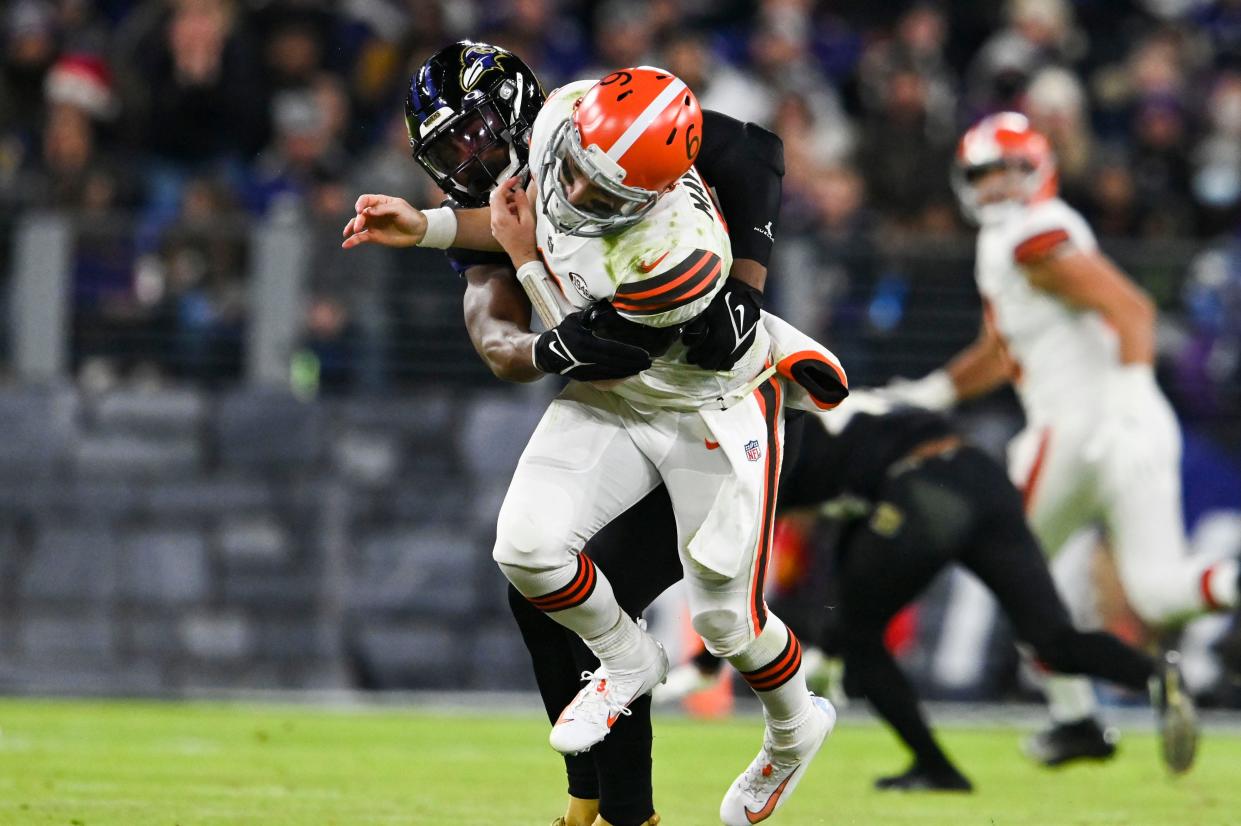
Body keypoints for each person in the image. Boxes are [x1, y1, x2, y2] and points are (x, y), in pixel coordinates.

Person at [343, 46, 848, 826]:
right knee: (526, 552)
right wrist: (430, 226)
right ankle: (625, 672)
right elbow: (527, 271)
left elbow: (594, 343)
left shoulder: (675, 253)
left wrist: (740, 280)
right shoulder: (570, 123)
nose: (571, 191)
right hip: (620, 400)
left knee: (726, 622)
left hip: (705, 404)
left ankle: (793, 729)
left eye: (473, 136)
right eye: (570, 168)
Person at [883, 111, 1240, 766]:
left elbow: (1132, 309)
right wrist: (931, 391)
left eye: (1008, 169)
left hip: (1084, 425)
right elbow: (1002, 348)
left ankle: (1076, 718)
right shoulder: (1020, 238)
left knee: (1007, 562)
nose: (995, 185)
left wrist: (1125, 389)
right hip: (1131, 425)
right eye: (984, 173)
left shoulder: (1031, 233)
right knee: (1160, 590)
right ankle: (1076, 720)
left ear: (1038, 169)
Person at [660, 392, 1199, 790]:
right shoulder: (826, 409)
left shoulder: (773, 451)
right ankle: (1157, 678)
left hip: (924, 487)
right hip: (981, 475)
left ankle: (936, 768)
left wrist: (709, 661)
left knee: (858, 636)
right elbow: (846, 535)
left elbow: (744, 560)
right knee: (1050, 637)